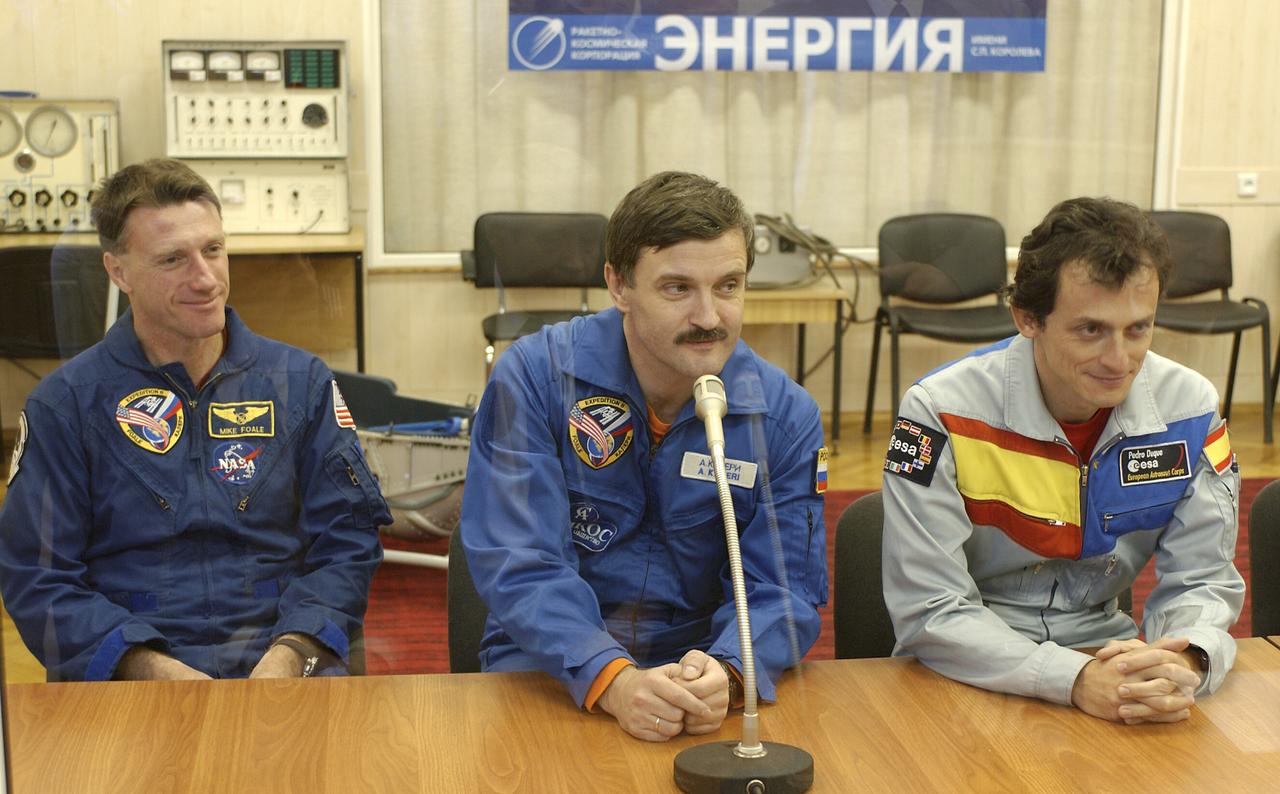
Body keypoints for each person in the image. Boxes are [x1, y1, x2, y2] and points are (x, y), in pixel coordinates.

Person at [460, 171, 828, 741]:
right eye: (678, 288)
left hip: (698, 676)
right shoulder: (537, 378)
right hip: (551, 665)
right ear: (618, 284)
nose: (709, 317)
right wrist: (612, 678)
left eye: (728, 286)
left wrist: (730, 671)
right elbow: (520, 560)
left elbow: (784, 589)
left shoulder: (782, 416)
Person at [0, 159, 390, 681]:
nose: (205, 279)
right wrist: (146, 668)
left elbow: (347, 543)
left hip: (284, 658)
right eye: (172, 260)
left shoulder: (301, 383)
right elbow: (37, 578)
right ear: (118, 271)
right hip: (126, 671)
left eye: (213, 250)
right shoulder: (65, 404)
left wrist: (295, 651)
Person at [881, 196, 1244, 725]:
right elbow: (931, 609)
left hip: (1112, 666)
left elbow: (1203, 579)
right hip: (964, 667)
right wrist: (1070, 680)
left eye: (1138, 329)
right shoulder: (939, 411)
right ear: (1027, 318)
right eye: (1090, 330)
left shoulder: (1191, 410)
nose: (1120, 361)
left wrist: (1182, 656)